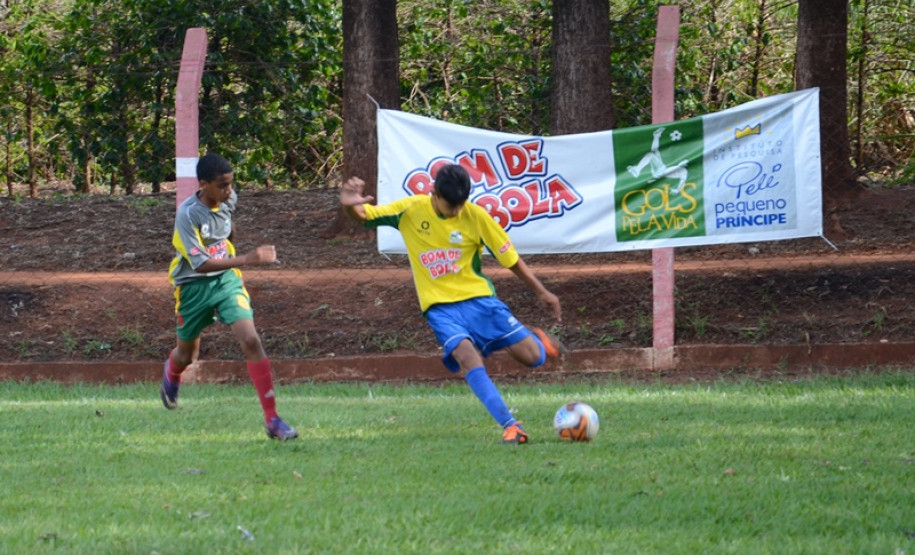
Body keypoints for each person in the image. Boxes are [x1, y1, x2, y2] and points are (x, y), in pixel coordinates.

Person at [340, 163, 564, 444]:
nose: (457, 211)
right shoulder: (410, 210)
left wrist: (542, 292)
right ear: (434, 193)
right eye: (452, 205)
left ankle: (537, 340)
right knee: (467, 357)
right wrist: (349, 206)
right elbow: (363, 214)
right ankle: (510, 425)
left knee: (534, 358)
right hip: (441, 309)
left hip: (481, 301)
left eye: (461, 204)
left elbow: (511, 259)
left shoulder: (476, 216)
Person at [160, 153, 298, 441]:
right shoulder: (187, 215)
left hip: (226, 282)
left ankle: (272, 419)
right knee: (188, 355)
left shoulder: (227, 200)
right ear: (203, 184)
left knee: (251, 340)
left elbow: (228, 228)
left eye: (231, 184)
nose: (229, 191)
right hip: (193, 288)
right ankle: (172, 373)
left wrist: (233, 249)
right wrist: (248, 258)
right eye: (222, 186)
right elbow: (201, 264)